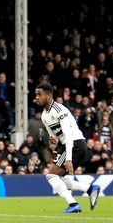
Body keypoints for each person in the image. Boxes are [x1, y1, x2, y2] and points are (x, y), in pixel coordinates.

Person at [34, 83, 101, 213]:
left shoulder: (60, 110)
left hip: (75, 144)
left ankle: (73, 204)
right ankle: (90, 189)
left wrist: (68, 159)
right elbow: (53, 134)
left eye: (39, 94)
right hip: (71, 146)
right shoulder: (44, 116)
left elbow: (69, 135)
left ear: (48, 95)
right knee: (61, 179)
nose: (36, 97)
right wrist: (53, 138)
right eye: (36, 94)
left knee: (51, 176)